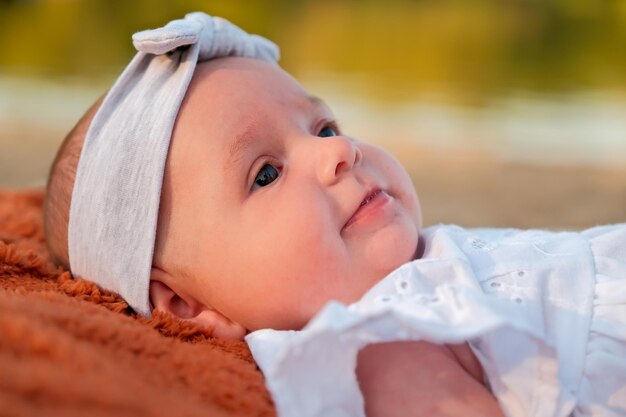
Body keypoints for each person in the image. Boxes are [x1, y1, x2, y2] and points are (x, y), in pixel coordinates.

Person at [43, 12, 626, 417]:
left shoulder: (412, 275)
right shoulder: (376, 344)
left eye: (324, 127)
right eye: (266, 173)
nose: (337, 151)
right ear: (185, 306)